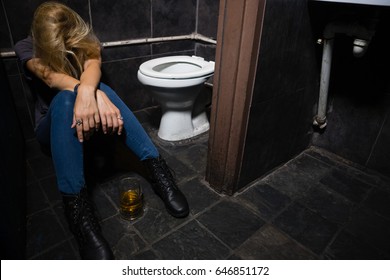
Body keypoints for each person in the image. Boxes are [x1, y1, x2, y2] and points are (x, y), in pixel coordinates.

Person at [14, 1, 189, 260]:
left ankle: (159, 173)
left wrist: (92, 92)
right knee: (64, 99)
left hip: (91, 122)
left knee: (99, 89)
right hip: (52, 129)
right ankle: (80, 217)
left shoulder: (85, 39)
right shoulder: (24, 47)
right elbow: (51, 77)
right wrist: (90, 92)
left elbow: (93, 67)